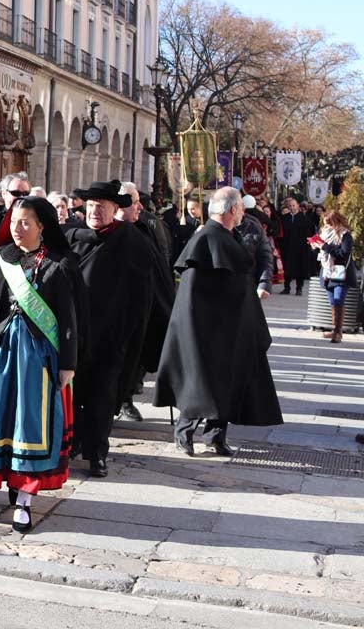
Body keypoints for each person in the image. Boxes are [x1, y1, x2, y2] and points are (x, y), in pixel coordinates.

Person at [0, 198, 80, 532]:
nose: (17, 228)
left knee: (30, 424)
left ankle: (26, 499)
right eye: (14, 221)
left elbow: (69, 320)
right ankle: (10, 482)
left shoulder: (58, 266)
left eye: (26, 222)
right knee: (3, 422)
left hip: (37, 360)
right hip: (0, 356)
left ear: (42, 225)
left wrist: (68, 363)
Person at [155, 187, 283, 456]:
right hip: (205, 330)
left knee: (228, 381)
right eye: (240, 209)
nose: (243, 214)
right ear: (232, 210)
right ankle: (185, 432)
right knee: (200, 383)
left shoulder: (229, 236)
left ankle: (215, 435)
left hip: (230, 328)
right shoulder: (205, 240)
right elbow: (192, 295)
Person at [65, 180, 156, 478]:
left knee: (102, 397)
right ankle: (72, 443)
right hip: (75, 334)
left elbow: (142, 293)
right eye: (90, 206)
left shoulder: (132, 241)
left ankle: (97, 454)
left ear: (115, 209)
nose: (94, 212)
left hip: (111, 336)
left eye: (101, 207)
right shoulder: (74, 239)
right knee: (73, 394)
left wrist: (128, 332)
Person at [113, 182, 176, 422]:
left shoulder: (145, 228)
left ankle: (127, 397)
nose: (140, 206)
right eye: (134, 201)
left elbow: (159, 264)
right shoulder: (108, 231)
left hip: (145, 307)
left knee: (138, 358)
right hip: (116, 311)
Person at [313, 209, 356, 343]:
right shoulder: (325, 233)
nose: (327, 226)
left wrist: (325, 246)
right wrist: (316, 246)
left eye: (329, 224)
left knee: (338, 300)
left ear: (336, 222)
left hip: (341, 273)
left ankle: (338, 332)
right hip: (327, 272)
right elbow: (324, 251)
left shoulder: (345, 235)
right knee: (332, 302)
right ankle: (334, 329)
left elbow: (343, 253)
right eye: (325, 224)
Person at [279, 196, 317, 295]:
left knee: (300, 268)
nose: (291, 207)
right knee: (287, 267)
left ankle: (299, 288)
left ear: (298, 206)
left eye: (293, 205)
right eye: (290, 205)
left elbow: (309, 233)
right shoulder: (284, 218)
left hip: (300, 248)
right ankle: (286, 287)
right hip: (287, 247)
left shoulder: (304, 219)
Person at [0, 172, 31, 243]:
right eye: (16, 193)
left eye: (26, 194)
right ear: (4, 194)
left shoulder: (35, 217)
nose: (21, 197)